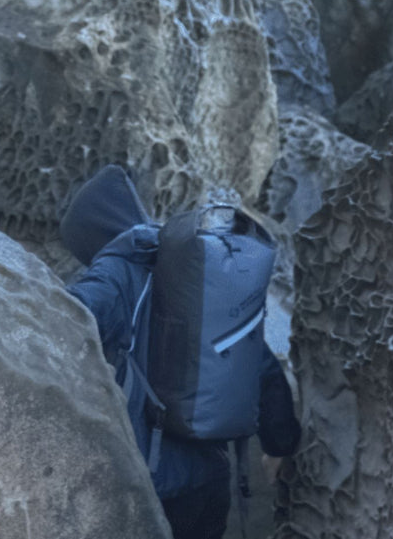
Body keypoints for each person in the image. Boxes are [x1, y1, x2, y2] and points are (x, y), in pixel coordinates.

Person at [67, 209, 301, 539]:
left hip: (150, 480)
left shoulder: (114, 273)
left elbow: (70, 318)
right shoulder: (199, 272)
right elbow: (260, 365)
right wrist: (280, 445)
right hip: (212, 477)